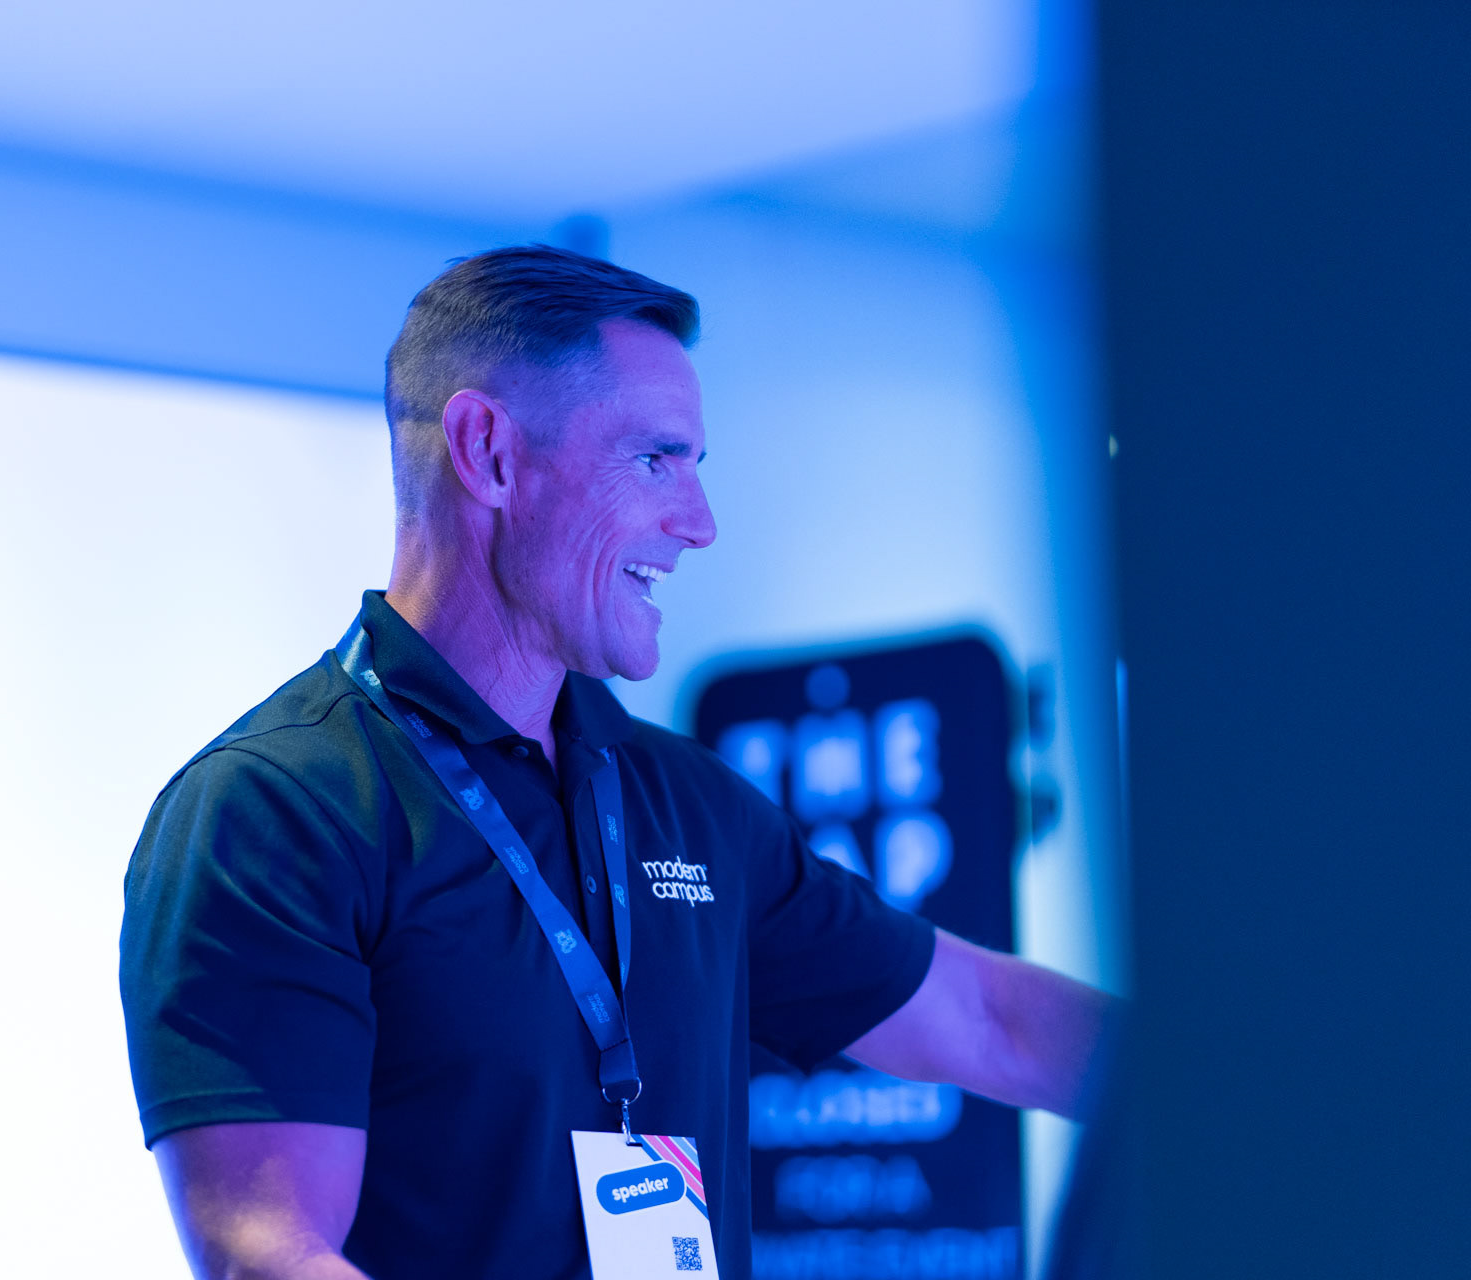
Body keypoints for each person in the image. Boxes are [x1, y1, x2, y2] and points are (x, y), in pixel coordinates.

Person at [119, 246, 1114, 1280]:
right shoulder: (276, 809)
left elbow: (987, 1021)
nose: (700, 522)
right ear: (489, 453)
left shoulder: (691, 807)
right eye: (654, 460)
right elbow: (267, 1254)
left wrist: (1217, 1072)